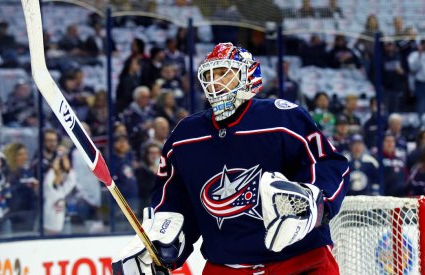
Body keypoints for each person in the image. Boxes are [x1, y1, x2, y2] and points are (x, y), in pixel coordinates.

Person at [112, 43, 350, 274]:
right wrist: (162, 244)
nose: (215, 82)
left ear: (248, 76)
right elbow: (174, 200)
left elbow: (328, 163)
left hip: (300, 261)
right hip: (227, 268)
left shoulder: (283, 118)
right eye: (211, 75)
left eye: (224, 74)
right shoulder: (184, 137)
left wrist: (316, 203)